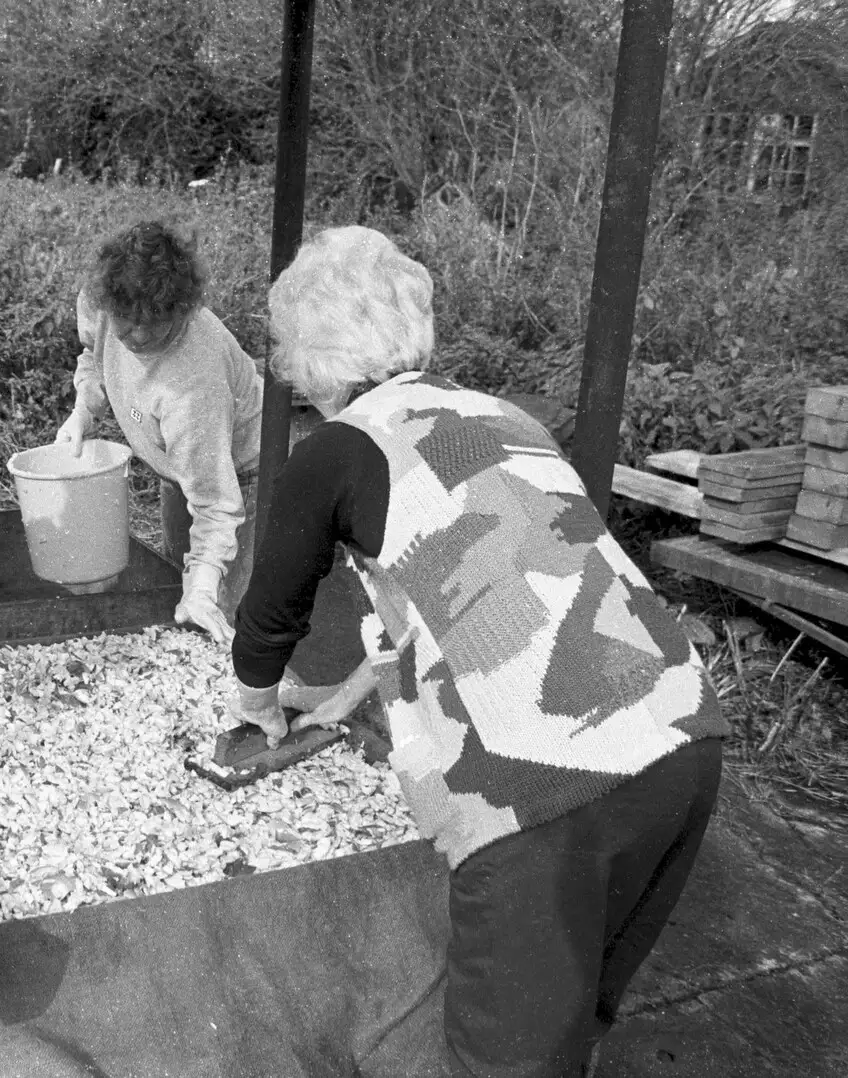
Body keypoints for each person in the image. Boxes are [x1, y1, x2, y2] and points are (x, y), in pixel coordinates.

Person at [228, 226, 728, 1078]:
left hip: (548, 784)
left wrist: (256, 708)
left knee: (504, 1056)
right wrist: (349, 697)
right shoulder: (505, 418)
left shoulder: (339, 451)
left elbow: (271, 611)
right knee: (574, 1014)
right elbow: (496, 599)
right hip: (682, 740)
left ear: (307, 356)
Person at [55, 220, 263, 642]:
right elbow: (92, 356)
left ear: (181, 308)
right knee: (175, 577)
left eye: (153, 322)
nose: (136, 335)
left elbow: (217, 503)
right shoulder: (100, 302)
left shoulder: (193, 386)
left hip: (242, 471)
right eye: (126, 321)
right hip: (178, 466)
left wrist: (204, 589)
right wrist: (82, 412)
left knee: (220, 610)